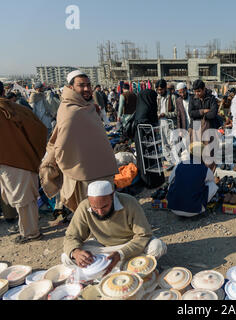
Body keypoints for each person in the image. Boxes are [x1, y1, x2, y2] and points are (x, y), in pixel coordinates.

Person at [43, 70, 118, 213]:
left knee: (104, 209)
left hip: (98, 167)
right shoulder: (71, 110)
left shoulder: (86, 106)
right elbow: (62, 144)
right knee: (91, 210)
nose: (86, 89)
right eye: (81, 85)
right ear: (71, 87)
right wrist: (67, 164)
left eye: (88, 85)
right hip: (84, 173)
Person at [61, 181, 167, 271]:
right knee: (67, 257)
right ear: (89, 200)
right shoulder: (84, 206)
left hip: (130, 246)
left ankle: (105, 267)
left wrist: (121, 254)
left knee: (157, 247)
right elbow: (71, 236)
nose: (100, 212)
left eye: (104, 206)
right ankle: (131, 266)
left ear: (112, 195)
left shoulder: (129, 202)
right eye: (95, 208)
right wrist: (76, 252)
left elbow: (144, 235)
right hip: (104, 249)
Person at [0, 80, 47, 243]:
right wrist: (33, 151)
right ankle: (30, 228)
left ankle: (31, 233)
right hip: (23, 159)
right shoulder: (17, 108)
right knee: (24, 198)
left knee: (23, 200)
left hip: (13, 162)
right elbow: (40, 130)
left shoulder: (8, 109)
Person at [167, 142, 218, 218]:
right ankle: (200, 207)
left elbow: (170, 181)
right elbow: (211, 181)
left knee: (173, 183)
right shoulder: (205, 169)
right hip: (194, 210)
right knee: (213, 185)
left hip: (174, 208)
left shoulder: (179, 165)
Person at [133, 89, 166, 189]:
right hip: (144, 140)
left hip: (151, 139)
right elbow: (144, 124)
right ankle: (149, 180)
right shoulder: (142, 114)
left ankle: (156, 178)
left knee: (154, 158)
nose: (154, 101)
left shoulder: (146, 109)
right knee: (147, 160)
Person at [156, 79, 178, 164]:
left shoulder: (172, 97)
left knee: (172, 143)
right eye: (158, 90)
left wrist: (165, 114)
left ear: (165, 88)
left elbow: (176, 113)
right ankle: (170, 161)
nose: (159, 91)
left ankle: (176, 161)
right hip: (161, 123)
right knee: (164, 143)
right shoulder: (158, 97)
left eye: (161, 89)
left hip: (170, 124)